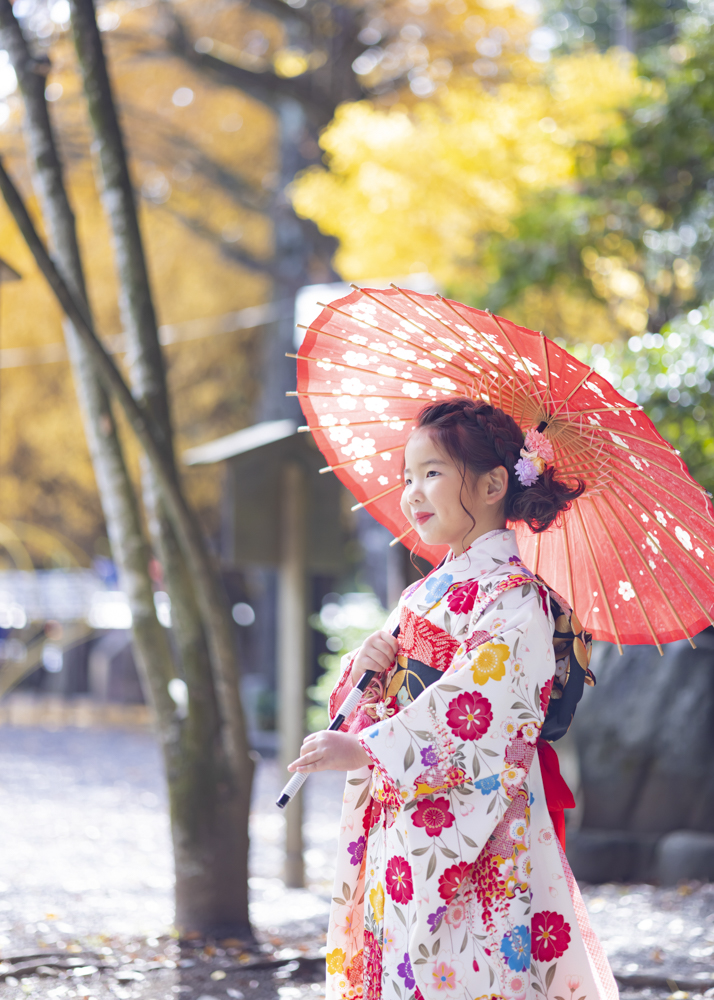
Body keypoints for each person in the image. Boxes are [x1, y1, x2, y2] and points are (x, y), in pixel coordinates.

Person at [288, 398, 618, 1000]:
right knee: (399, 962)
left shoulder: (517, 601)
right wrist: (366, 674)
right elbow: (373, 703)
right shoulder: (423, 594)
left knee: (466, 968)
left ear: (495, 484)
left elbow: (479, 716)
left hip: (476, 824)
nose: (413, 492)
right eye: (408, 477)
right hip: (402, 819)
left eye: (432, 474)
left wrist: (365, 749)